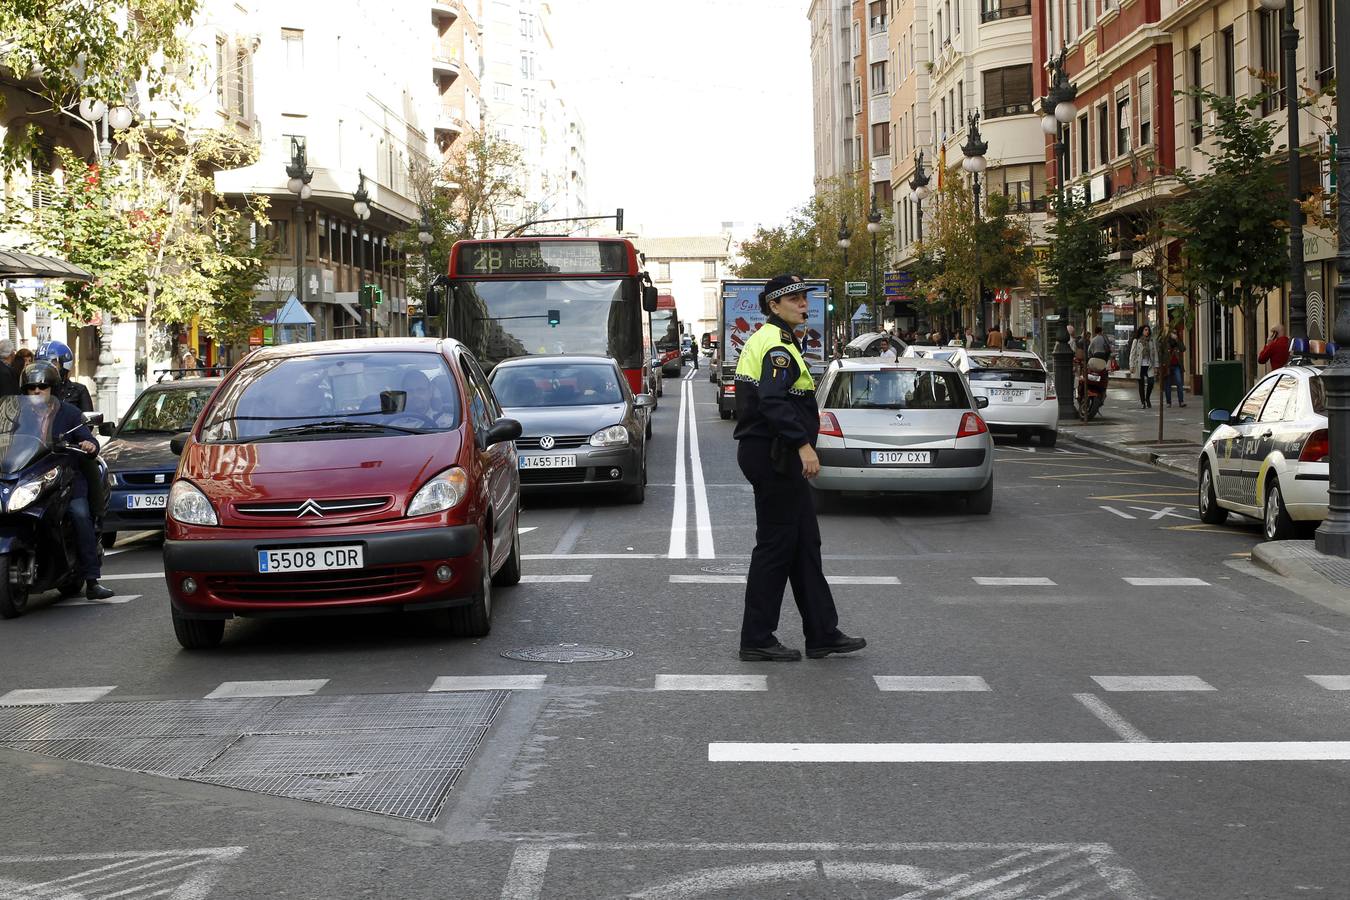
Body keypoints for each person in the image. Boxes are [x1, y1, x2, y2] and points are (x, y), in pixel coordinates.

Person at [733, 274, 867, 662]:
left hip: (775, 453)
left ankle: (822, 633)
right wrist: (803, 444)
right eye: (793, 299)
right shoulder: (775, 345)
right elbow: (773, 403)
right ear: (774, 306)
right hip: (774, 455)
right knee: (775, 548)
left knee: (805, 545)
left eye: (805, 297)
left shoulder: (783, 340)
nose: (803, 304)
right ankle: (756, 639)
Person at [19, 363, 115, 600]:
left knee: (80, 514)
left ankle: (92, 580)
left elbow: (87, 439)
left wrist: (89, 444)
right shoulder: (16, 415)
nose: (37, 392)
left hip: (65, 481)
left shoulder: (69, 414)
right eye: (31, 388)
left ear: (52, 388)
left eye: (42, 386)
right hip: (28, 481)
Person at [36, 340, 93, 412]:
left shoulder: (78, 391)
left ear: (64, 364)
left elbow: (89, 420)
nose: (47, 368)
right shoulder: (34, 390)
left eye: (53, 364)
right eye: (42, 364)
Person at [1129, 324, 1157, 409]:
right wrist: (1131, 365)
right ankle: (1143, 402)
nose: (1147, 331)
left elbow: (1155, 353)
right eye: (1145, 330)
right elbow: (1132, 354)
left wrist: (1156, 366)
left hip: (1149, 365)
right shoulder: (1136, 341)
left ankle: (1147, 398)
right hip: (1139, 365)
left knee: (1151, 382)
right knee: (1141, 384)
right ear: (1142, 331)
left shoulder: (1151, 341)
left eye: (1148, 330)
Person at [1164, 324, 1187, 407]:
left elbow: (1183, 348)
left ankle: (1181, 401)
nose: (1174, 334)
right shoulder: (1165, 341)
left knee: (1179, 383)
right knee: (1168, 384)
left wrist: (1177, 339)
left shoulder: (1178, 341)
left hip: (1177, 365)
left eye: (1175, 332)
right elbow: (1162, 352)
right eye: (1173, 332)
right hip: (1168, 365)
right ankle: (1168, 402)